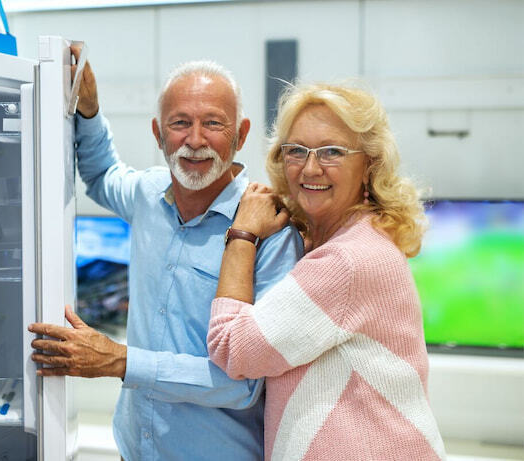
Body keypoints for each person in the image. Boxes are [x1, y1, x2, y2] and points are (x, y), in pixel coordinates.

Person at [28, 50, 303, 460]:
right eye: (180, 124)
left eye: (213, 123)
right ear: (158, 134)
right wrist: (88, 111)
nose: (194, 141)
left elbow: (243, 382)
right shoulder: (147, 195)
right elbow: (103, 175)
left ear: (241, 135)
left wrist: (120, 361)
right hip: (133, 449)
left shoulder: (270, 231)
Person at [207, 82, 446, 460]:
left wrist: (242, 233)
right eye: (297, 150)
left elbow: (232, 347)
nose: (310, 166)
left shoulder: (346, 262)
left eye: (332, 151)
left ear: (369, 164)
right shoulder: (352, 240)